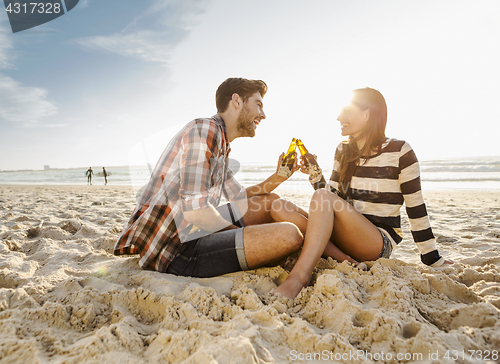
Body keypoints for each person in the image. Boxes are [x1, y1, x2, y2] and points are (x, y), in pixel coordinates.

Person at [271, 87, 453, 299]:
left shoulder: (401, 151)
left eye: (346, 112)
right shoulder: (343, 150)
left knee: (319, 200)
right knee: (278, 206)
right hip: (344, 235)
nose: (339, 117)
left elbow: (416, 207)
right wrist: (314, 174)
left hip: (376, 241)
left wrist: (431, 257)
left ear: (367, 114)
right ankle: (345, 259)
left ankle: (298, 278)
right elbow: (332, 198)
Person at [114, 78, 305, 277]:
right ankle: (321, 237)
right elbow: (197, 213)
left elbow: (239, 195)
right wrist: (238, 234)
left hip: (192, 230)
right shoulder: (205, 130)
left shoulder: (220, 141)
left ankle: (322, 234)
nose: (263, 115)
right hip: (175, 250)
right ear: (237, 101)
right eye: (258, 105)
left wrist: (279, 176)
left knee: (270, 201)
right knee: (289, 235)